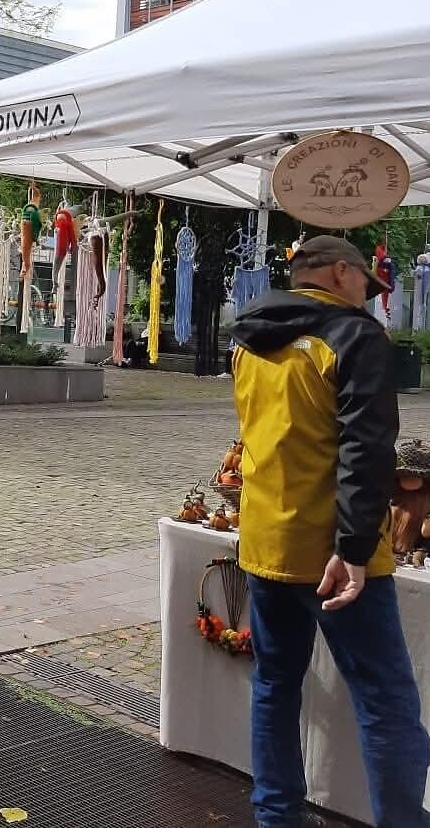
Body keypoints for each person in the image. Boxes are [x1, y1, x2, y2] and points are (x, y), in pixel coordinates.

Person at [229, 235, 430, 828]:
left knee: (274, 684)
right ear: (342, 273)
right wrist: (352, 549)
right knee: (387, 703)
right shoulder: (355, 336)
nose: (369, 296)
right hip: (335, 558)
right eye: (366, 283)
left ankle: (275, 817)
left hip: (266, 542)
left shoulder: (250, 338)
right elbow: (366, 452)